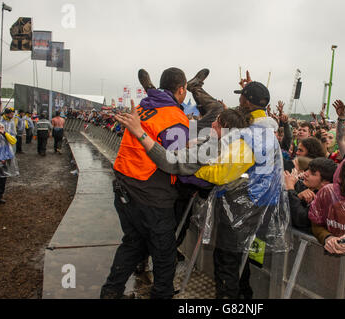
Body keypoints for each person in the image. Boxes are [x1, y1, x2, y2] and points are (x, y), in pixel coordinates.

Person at [116, 75, 289, 299]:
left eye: (216, 121)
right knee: (239, 264)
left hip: (242, 210)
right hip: (254, 207)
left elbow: (218, 173)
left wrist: (193, 168)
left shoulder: (249, 136)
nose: (210, 124)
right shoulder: (262, 130)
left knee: (227, 265)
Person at [101, 67, 190, 299]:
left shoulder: (143, 108)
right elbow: (172, 162)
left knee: (133, 243)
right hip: (151, 194)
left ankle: (110, 292)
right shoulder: (176, 118)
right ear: (181, 90)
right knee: (164, 254)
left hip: (123, 185)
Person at [285, 158, 337, 234]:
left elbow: (301, 219)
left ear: (325, 183)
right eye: (308, 169)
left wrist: (290, 189)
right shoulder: (305, 188)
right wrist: (298, 197)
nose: (306, 173)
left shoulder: (326, 200)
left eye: (312, 173)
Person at [0, 121, 18, 205]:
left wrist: (4, 133)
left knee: (2, 179)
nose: (1, 129)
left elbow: (13, 141)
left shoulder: (5, 136)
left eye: (2, 127)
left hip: (3, 161)